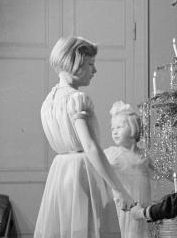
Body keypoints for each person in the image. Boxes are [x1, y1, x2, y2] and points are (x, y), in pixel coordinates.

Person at [34, 36, 134, 238]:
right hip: (82, 172)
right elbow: (90, 147)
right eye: (90, 64)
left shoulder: (48, 102)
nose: (94, 70)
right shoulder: (76, 99)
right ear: (76, 64)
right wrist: (119, 189)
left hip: (61, 173)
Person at [104, 101, 153, 238]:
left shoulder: (143, 155)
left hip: (142, 205)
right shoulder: (112, 154)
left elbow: (163, 172)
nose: (114, 131)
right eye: (112, 128)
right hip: (123, 207)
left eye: (119, 127)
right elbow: (95, 166)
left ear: (133, 128)